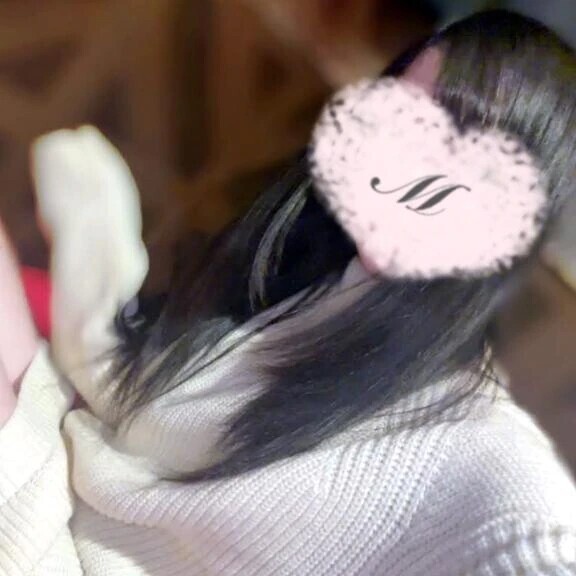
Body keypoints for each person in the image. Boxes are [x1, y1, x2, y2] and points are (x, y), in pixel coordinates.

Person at [1, 9, 576, 575]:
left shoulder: (475, 446)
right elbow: (131, 406)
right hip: (56, 508)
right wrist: (94, 230)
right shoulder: (312, 282)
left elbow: (533, 541)